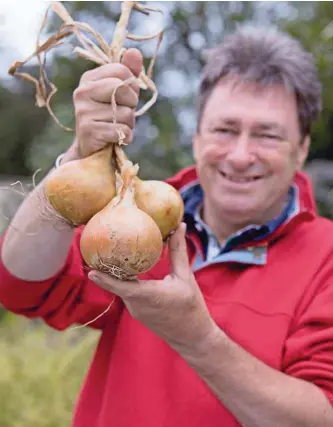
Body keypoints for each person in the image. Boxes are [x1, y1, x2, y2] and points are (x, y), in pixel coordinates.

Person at [0, 26, 332, 427]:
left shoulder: (325, 257)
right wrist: (77, 161)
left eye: (267, 135)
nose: (241, 155)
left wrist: (196, 337)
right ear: (196, 138)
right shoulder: (142, 218)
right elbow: (22, 285)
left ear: (302, 150)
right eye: (225, 130)